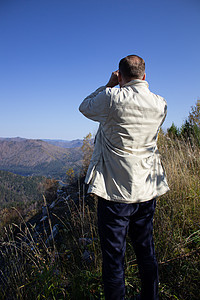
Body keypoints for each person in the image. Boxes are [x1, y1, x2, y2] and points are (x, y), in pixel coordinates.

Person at [79, 55, 169, 300]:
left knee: (114, 260)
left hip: (115, 192)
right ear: (144, 75)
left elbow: (85, 106)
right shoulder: (160, 103)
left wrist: (109, 84)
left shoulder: (111, 98)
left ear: (120, 75)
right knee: (146, 252)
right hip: (147, 190)